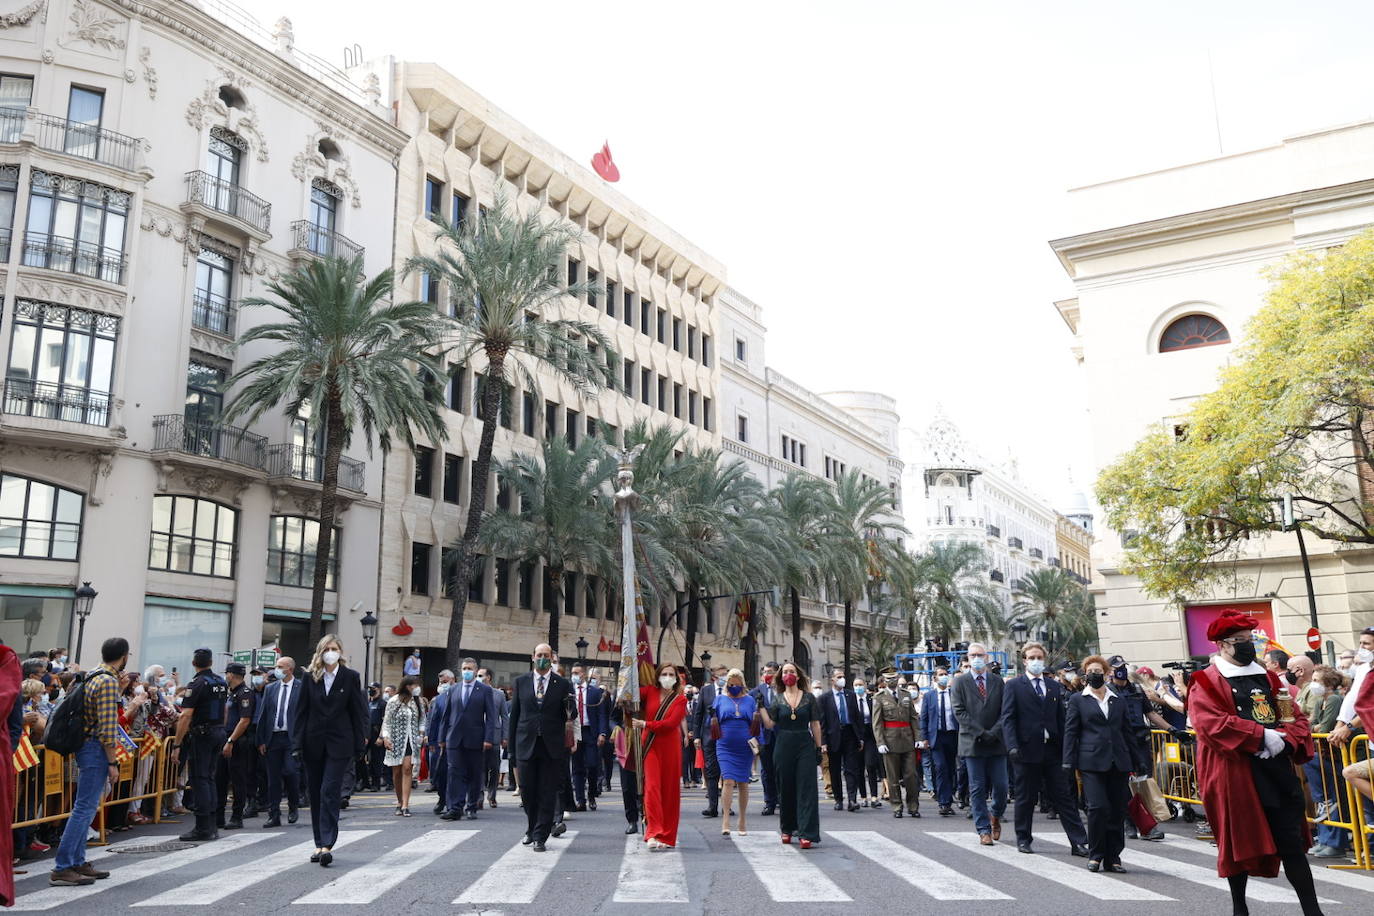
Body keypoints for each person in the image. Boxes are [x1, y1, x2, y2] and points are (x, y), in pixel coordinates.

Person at [1187, 611, 1323, 916]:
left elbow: (1295, 718)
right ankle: (1240, 909)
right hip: (1235, 774)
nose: (1249, 646)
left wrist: (1286, 740)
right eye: (1240, 641)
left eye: (1251, 640)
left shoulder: (1269, 677)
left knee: (1292, 846)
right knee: (1239, 845)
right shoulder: (1205, 681)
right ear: (1223, 644)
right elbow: (1211, 724)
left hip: (1276, 772)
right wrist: (1260, 736)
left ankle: (1313, 911)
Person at [49, 637, 125, 887]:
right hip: (94, 748)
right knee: (84, 808)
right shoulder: (108, 680)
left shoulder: (93, 673)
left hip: (86, 745)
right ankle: (63, 867)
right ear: (124, 656)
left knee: (86, 807)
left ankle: (77, 861)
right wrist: (113, 762)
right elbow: (107, 727)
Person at [1001, 642, 1089, 856]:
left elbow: (1062, 720)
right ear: (1024, 661)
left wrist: (1067, 750)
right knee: (1025, 798)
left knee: (1064, 798)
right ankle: (1023, 838)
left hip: (1052, 751)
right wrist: (1012, 746)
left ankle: (1078, 842)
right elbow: (1008, 718)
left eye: (1039, 657)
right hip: (1025, 751)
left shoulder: (1053, 686)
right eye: (1031, 658)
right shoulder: (1014, 686)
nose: (1036, 661)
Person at [292, 635, 367, 867]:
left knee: (329, 790)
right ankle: (318, 843)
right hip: (312, 742)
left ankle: (327, 843)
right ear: (320, 651)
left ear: (340, 652)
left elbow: (359, 712)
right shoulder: (308, 677)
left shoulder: (350, 677)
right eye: (327, 648)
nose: (330, 652)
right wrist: (296, 744)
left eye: (334, 648)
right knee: (315, 793)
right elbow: (300, 712)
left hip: (340, 743)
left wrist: (360, 744)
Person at [1064, 654, 1142, 873]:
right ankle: (1096, 854)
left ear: (1106, 674)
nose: (1094, 675)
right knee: (1098, 807)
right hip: (1091, 762)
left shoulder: (1117, 699)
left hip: (1119, 760)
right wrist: (1067, 762)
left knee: (1117, 810)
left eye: (1099, 671)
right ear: (1085, 674)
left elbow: (1127, 731)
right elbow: (1071, 732)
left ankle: (1114, 856)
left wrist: (1138, 760)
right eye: (1090, 672)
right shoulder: (1078, 700)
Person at [508, 643, 575, 852]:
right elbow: (515, 717)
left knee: (547, 792)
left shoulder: (562, 684)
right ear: (532, 657)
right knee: (527, 791)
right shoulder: (521, 682)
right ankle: (531, 827)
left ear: (552, 658)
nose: (542, 658)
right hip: (526, 744)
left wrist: (571, 708)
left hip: (551, 746)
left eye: (546, 655)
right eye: (539, 655)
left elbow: (570, 714)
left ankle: (540, 835)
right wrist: (511, 749)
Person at [759, 661, 822, 848]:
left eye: (792, 671)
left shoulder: (809, 698)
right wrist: (761, 707)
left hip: (804, 743)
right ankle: (787, 829)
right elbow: (770, 724)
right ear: (781, 676)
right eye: (785, 672)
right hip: (783, 744)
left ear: (798, 675)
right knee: (785, 788)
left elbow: (815, 724)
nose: (788, 674)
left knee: (806, 788)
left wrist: (819, 748)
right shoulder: (778, 699)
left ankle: (806, 833)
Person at [951, 643, 1008, 845]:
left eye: (980, 655)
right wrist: (980, 732)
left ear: (986, 657)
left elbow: (1005, 711)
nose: (976, 658)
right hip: (972, 742)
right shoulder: (959, 682)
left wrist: (994, 732)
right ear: (967, 658)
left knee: (1001, 787)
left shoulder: (997, 681)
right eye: (973, 655)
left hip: (996, 741)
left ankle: (995, 815)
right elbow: (959, 712)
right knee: (977, 787)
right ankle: (983, 829)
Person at [171, 647, 228, 841]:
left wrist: (177, 744)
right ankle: (211, 825)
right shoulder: (220, 682)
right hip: (218, 732)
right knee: (209, 778)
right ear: (211, 662)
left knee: (199, 779)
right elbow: (225, 710)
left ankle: (203, 827)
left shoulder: (196, 684)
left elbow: (186, 715)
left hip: (202, 735)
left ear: (194, 663)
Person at [631, 662, 690, 848]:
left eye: (671, 674)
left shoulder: (680, 699)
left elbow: (671, 724)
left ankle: (667, 835)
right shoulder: (648, 691)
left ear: (676, 678)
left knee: (669, 791)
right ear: (657, 676)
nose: (667, 677)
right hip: (650, 747)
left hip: (670, 748)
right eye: (664, 673)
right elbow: (627, 696)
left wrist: (645, 724)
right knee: (652, 787)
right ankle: (653, 832)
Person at [440, 658, 497, 820]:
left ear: (475, 670)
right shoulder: (453, 689)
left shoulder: (484, 690)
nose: (467, 671)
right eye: (464, 668)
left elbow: (491, 717)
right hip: (454, 739)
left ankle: (471, 806)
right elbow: (446, 716)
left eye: (470, 668)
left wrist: (488, 738)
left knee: (474, 774)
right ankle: (455, 808)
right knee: (454, 774)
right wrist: (442, 738)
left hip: (476, 739)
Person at [1304, 665, 1350, 858]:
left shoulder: (1333, 699)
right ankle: (1324, 839)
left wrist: (1313, 727)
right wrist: (1313, 727)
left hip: (1331, 756)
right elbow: (1311, 724)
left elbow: (1324, 727)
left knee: (1332, 798)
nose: (1313, 684)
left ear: (1328, 683)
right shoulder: (1318, 702)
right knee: (1321, 800)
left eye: (1316, 681)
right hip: (1319, 755)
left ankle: (1335, 842)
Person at [710, 668, 757, 836]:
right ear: (727, 684)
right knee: (728, 780)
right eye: (731, 684)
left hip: (745, 746)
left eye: (737, 684)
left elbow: (755, 723)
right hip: (725, 745)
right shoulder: (719, 699)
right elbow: (712, 723)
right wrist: (712, 717)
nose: (734, 686)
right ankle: (726, 820)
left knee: (743, 782)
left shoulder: (750, 700)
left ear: (742, 684)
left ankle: (742, 820)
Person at [873, 666, 919, 817]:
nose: (891, 681)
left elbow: (913, 718)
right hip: (890, 741)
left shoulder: (906, 695)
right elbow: (877, 723)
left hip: (907, 740)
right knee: (892, 777)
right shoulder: (879, 698)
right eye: (888, 679)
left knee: (911, 776)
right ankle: (897, 806)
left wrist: (918, 738)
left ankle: (913, 806)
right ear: (884, 681)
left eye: (894, 678)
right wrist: (880, 743)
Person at [819, 667, 864, 812]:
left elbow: (857, 717)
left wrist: (860, 737)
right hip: (833, 737)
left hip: (850, 735)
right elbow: (822, 722)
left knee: (851, 769)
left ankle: (852, 799)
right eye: (838, 677)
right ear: (832, 680)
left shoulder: (850, 695)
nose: (842, 679)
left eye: (843, 676)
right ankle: (838, 799)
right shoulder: (824, 699)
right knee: (835, 770)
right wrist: (823, 742)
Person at [220, 662, 256, 830]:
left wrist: (231, 741)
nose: (225, 676)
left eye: (226, 673)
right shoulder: (231, 694)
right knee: (220, 779)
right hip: (226, 739)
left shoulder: (245, 693)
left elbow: (244, 720)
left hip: (237, 742)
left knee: (237, 781)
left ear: (231, 675)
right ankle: (219, 816)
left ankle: (236, 816)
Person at [568, 664, 609, 811]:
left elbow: (601, 714)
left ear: (583, 674)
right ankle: (580, 800)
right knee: (577, 767)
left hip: (590, 732)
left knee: (592, 765)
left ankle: (591, 795)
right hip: (575, 733)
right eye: (572, 673)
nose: (574, 675)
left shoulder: (595, 692)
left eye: (577, 673)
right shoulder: (569, 691)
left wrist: (602, 733)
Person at [382, 675, 424, 816]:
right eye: (415, 685)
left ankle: (405, 805)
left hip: (412, 741)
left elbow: (423, 719)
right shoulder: (394, 701)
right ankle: (399, 801)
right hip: (396, 740)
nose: (417, 687)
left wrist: (421, 733)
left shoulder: (418, 702)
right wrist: (386, 737)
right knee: (397, 772)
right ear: (407, 686)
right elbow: (387, 721)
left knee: (407, 769)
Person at [921, 666, 960, 816]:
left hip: (952, 736)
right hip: (936, 737)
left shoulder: (954, 694)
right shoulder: (929, 696)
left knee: (951, 769)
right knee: (940, 767)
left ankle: (949, 797)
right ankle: (944, 802)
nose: (944, 676)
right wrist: (924, 737)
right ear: (935, 678)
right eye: (941, 674)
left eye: (945, 674)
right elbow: (924, 718)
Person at [693, 662, 728, 818]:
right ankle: (712, 806)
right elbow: (698, 714)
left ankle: (727, 806)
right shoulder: (705, 691)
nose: (724, 677)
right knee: (711, 771)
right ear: (714, 676)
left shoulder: (731, 690)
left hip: (728, 737)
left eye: (726, 674)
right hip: (709, 737)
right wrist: (696, 736)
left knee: (727, 772)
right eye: (722, 674)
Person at [749, 663, 779, 815]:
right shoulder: (756, 692)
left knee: (781, 769)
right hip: (764, 737)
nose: (767, 674)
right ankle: (769, 802)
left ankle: (781, 798)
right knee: (766, 770)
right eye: (765, 672)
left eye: (770, 672)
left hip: (782, 736)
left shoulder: (784, 689)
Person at [425, 669, 456, 813]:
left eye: (444, 682)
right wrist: (431, 741)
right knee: (440, 773)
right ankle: (442, 798)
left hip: (456, 741)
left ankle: (453, 802)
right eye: (440, 682)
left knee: (455, 773)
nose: (442, 685)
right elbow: (432, 721)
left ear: (452, 680)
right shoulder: (437, 700)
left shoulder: (459, 695)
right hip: (439, 742)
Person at [851, 676, 883, 809]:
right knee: (859, 768)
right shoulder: (851, 700)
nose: (858, 687)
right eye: (856, 685)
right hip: (856, 737)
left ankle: (874, 796)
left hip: (870, 736)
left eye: (860, 684)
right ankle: (863, 797)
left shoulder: (871, 699)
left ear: (865, 685)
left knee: (871, 765)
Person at [479, 668, 508, 807]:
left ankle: (492, 795)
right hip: (478, 735)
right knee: (480, 767)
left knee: (494, 767)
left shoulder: (499, 694)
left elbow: (504, 716)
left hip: (495, 736)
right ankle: (479, 795)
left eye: (481, 675)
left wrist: (505, 736)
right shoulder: (475, 692)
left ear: (488, 677)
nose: (478, 678)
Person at [364, 682, 387, 791]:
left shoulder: (382, 704)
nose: (371, 691)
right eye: (370, 689)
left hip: (376, 733)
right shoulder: (367, 703)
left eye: (373, 689)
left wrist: (381, 737)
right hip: (366, 734)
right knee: (360, 758)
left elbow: (385, 721)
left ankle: (375, 783)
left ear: (378, 689)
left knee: (376, 760)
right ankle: (364, 781)